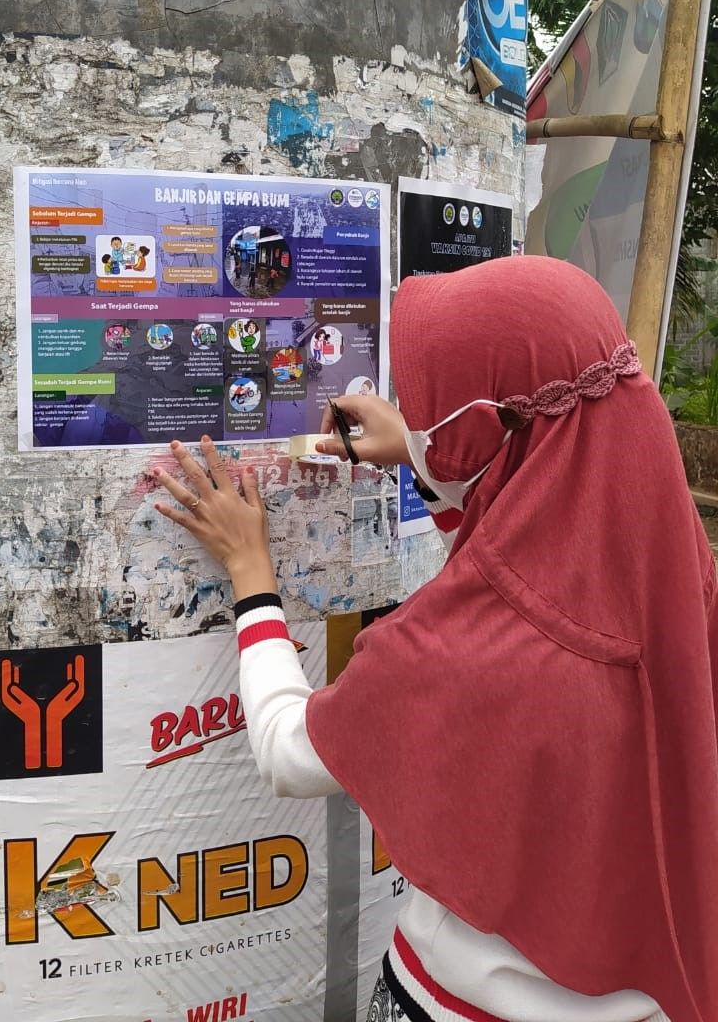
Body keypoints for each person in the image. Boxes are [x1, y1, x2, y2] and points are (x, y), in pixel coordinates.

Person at [153, 256, 718, 1022]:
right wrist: (423, 452)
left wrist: (252, 574)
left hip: (462, 1002)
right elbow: (534, 523)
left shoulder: (464, 649)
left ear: (485, 432)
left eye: (432, 418)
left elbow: (289, 750)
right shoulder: (682, 575)